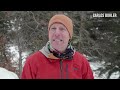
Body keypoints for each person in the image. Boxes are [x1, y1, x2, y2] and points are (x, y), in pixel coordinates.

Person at [21, 14, 94, 79]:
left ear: (69, 35)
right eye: (53, 28)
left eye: (62, 29)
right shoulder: (33, 62)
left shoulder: (81, 62)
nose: (57, 33)